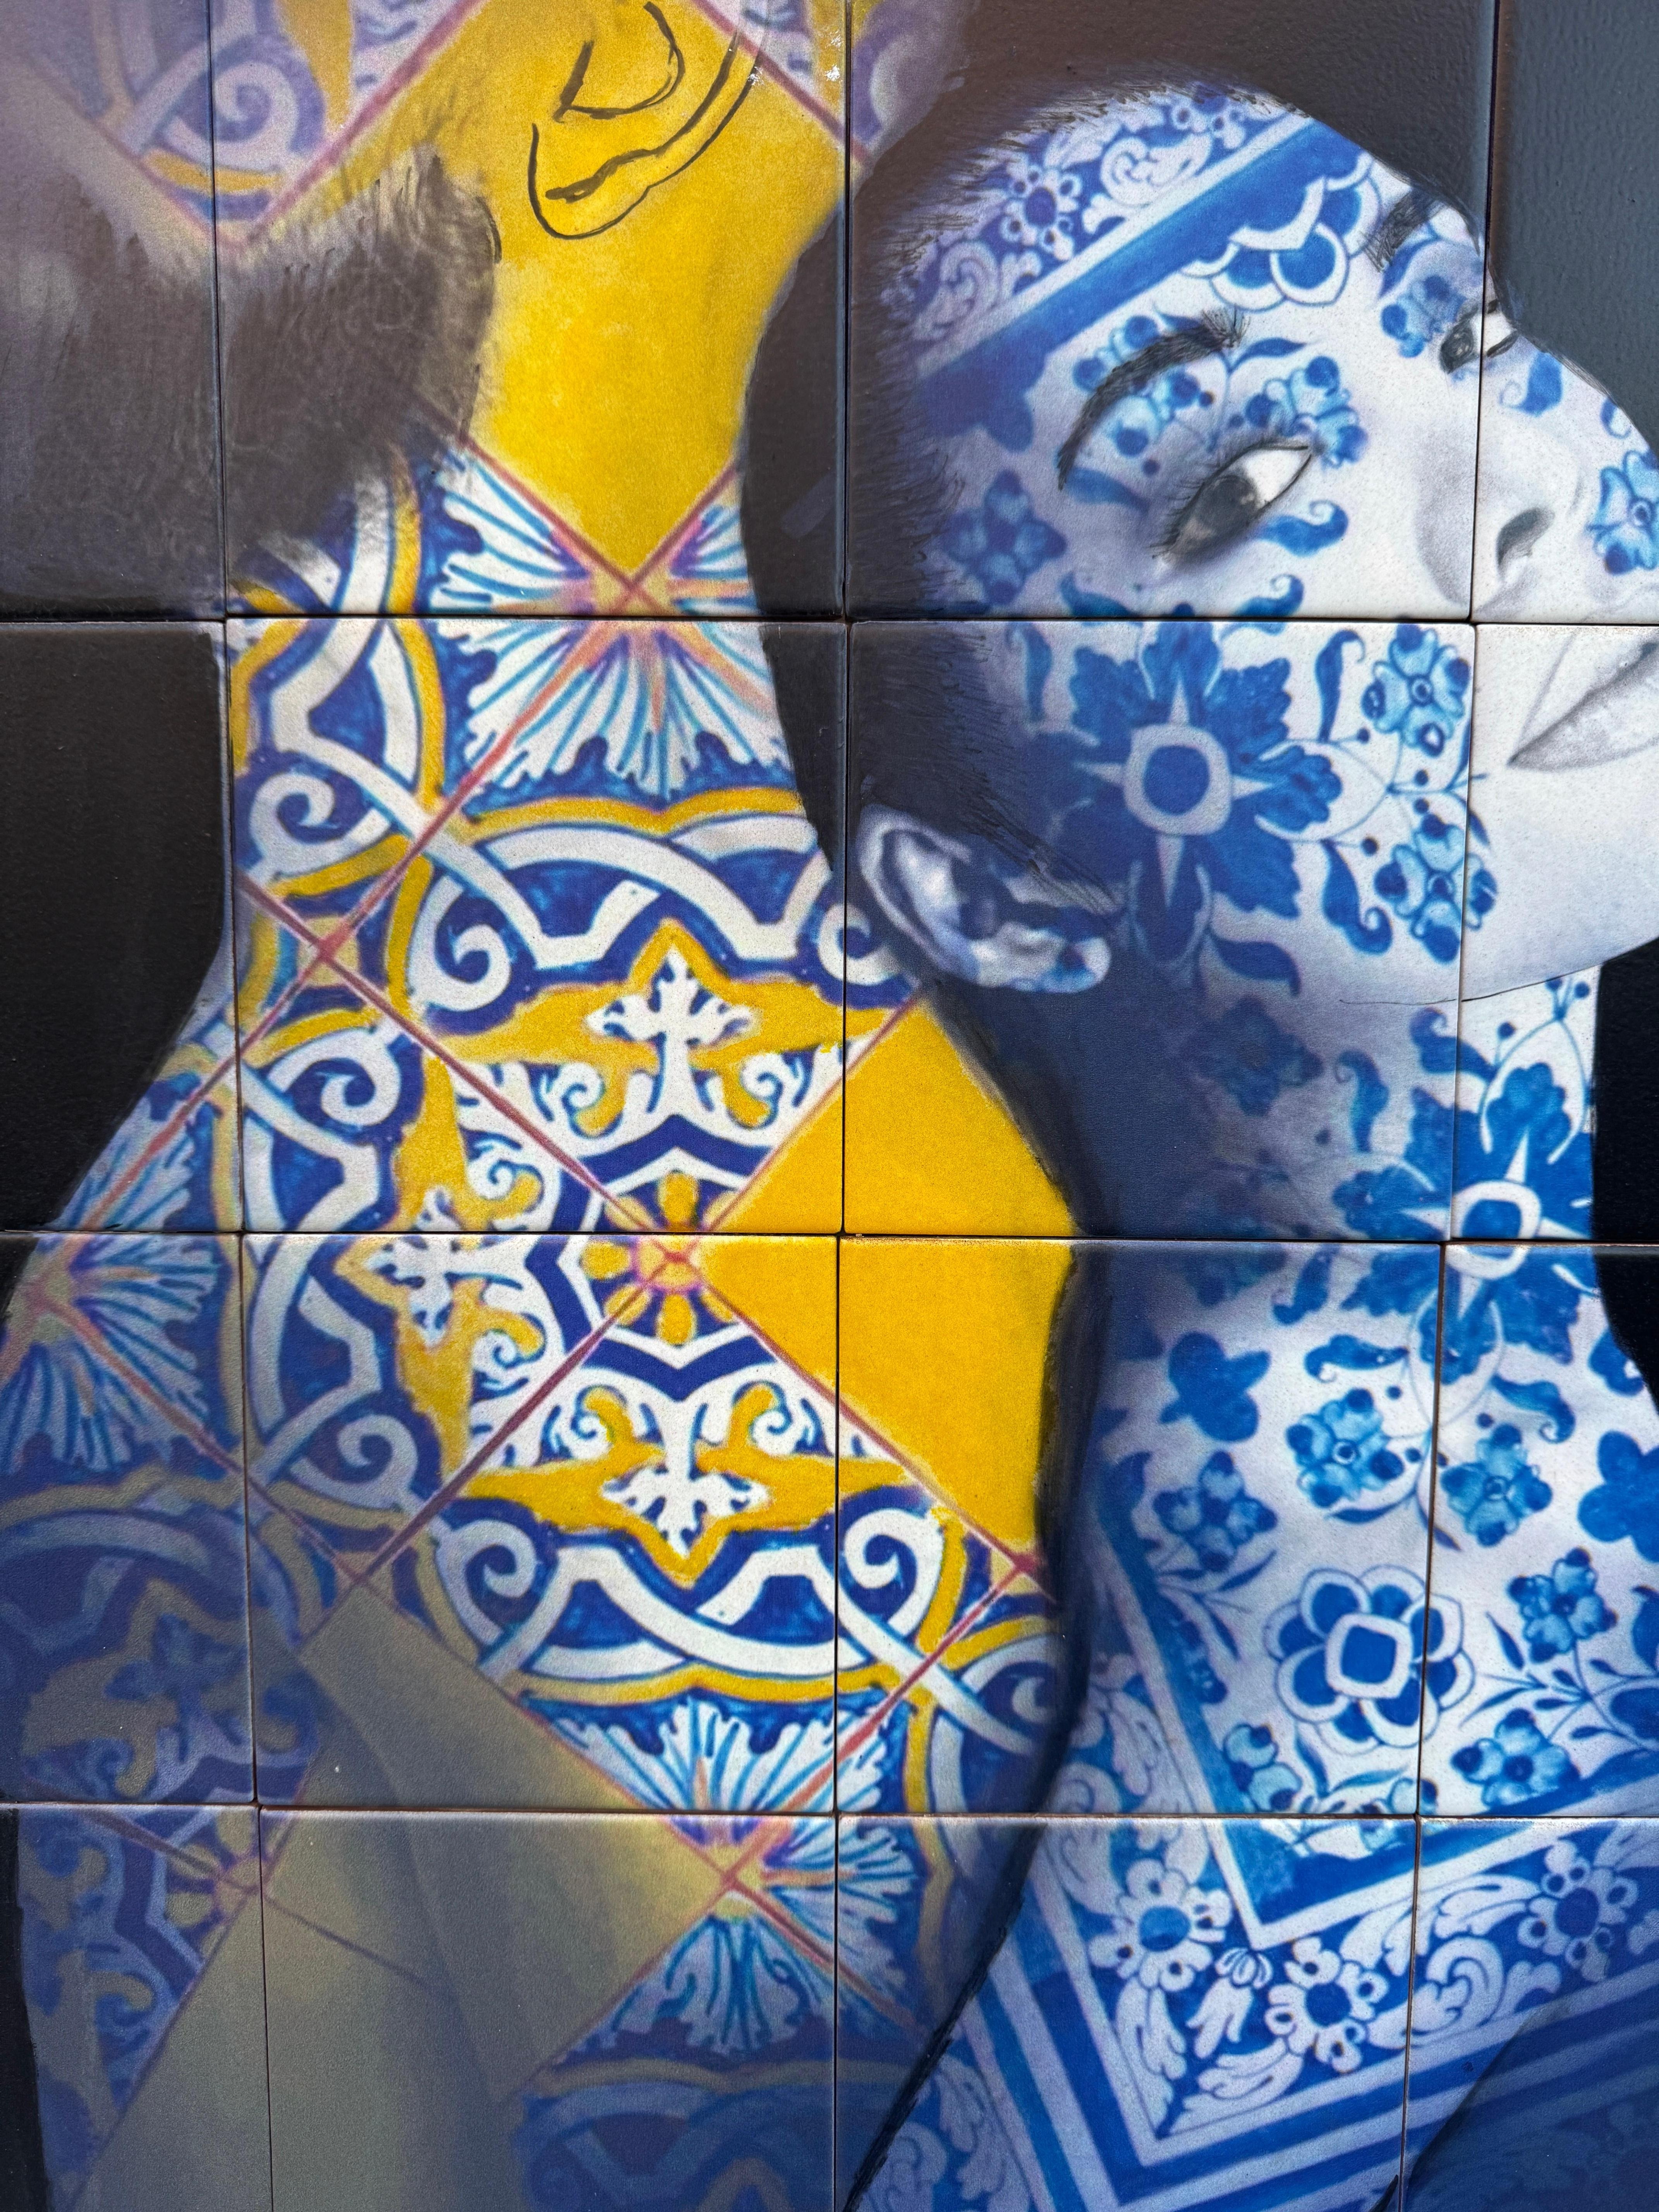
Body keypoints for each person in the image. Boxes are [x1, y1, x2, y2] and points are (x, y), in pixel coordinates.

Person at [742, 28, 1659, 2212]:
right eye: (1239, 490)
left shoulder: (1500, 1376)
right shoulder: (1410, 1578)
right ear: (1000, 893)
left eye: (1462, 323)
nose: (1518, 478)